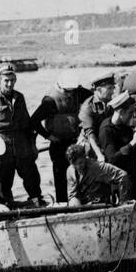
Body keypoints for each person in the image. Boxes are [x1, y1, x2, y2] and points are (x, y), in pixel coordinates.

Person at [0, 64, 44, 207]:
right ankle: (7, 208)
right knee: (3, 182)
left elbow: (27, 124)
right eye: (6, 80)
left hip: (21, 145)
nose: (10, 83)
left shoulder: (20, 97)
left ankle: (37, 203)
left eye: (12, 80)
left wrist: (32, 146)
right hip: (1, 147)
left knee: (32, 176)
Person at [30, 71, 86, 202]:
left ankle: (80, 202)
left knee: (81, 175)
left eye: (73, 91)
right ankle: (62, 204)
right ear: (60, 87)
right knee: (61, 177)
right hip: (59, 144)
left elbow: (92, 97)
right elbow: (34, 121)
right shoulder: (50, 100)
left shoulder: (79, 92)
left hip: (76, 142)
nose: (71, 94)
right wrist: (48, 136)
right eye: (68, 91)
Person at [98, 91, 136, 195]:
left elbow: (132, 153)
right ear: (121, 112)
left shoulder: (126, 126)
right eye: (130, 112)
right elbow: (112, 159)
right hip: (119, 182)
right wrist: (133, 143)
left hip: (133, 177)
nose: (133, 116)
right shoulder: (106, 130)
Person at [66, 143, 133, 206]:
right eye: (75, 164)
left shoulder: (97, 167)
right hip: (84, 206)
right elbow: (72, 195)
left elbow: (122, 175)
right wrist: (75, 204)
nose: (78, 167)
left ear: (85, 158)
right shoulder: (70, 171)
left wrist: (123, 201)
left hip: (101, 205)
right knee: (73, 203)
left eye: (80, 163)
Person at [79, 72, 116, 162]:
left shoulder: (112, 103)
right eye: (109, 88)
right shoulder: (88, 107)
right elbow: (90, 134)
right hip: (92, 148)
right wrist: (99, 154)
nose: (113, 91)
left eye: (113, 88)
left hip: (107, 142)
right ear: (99, 89)